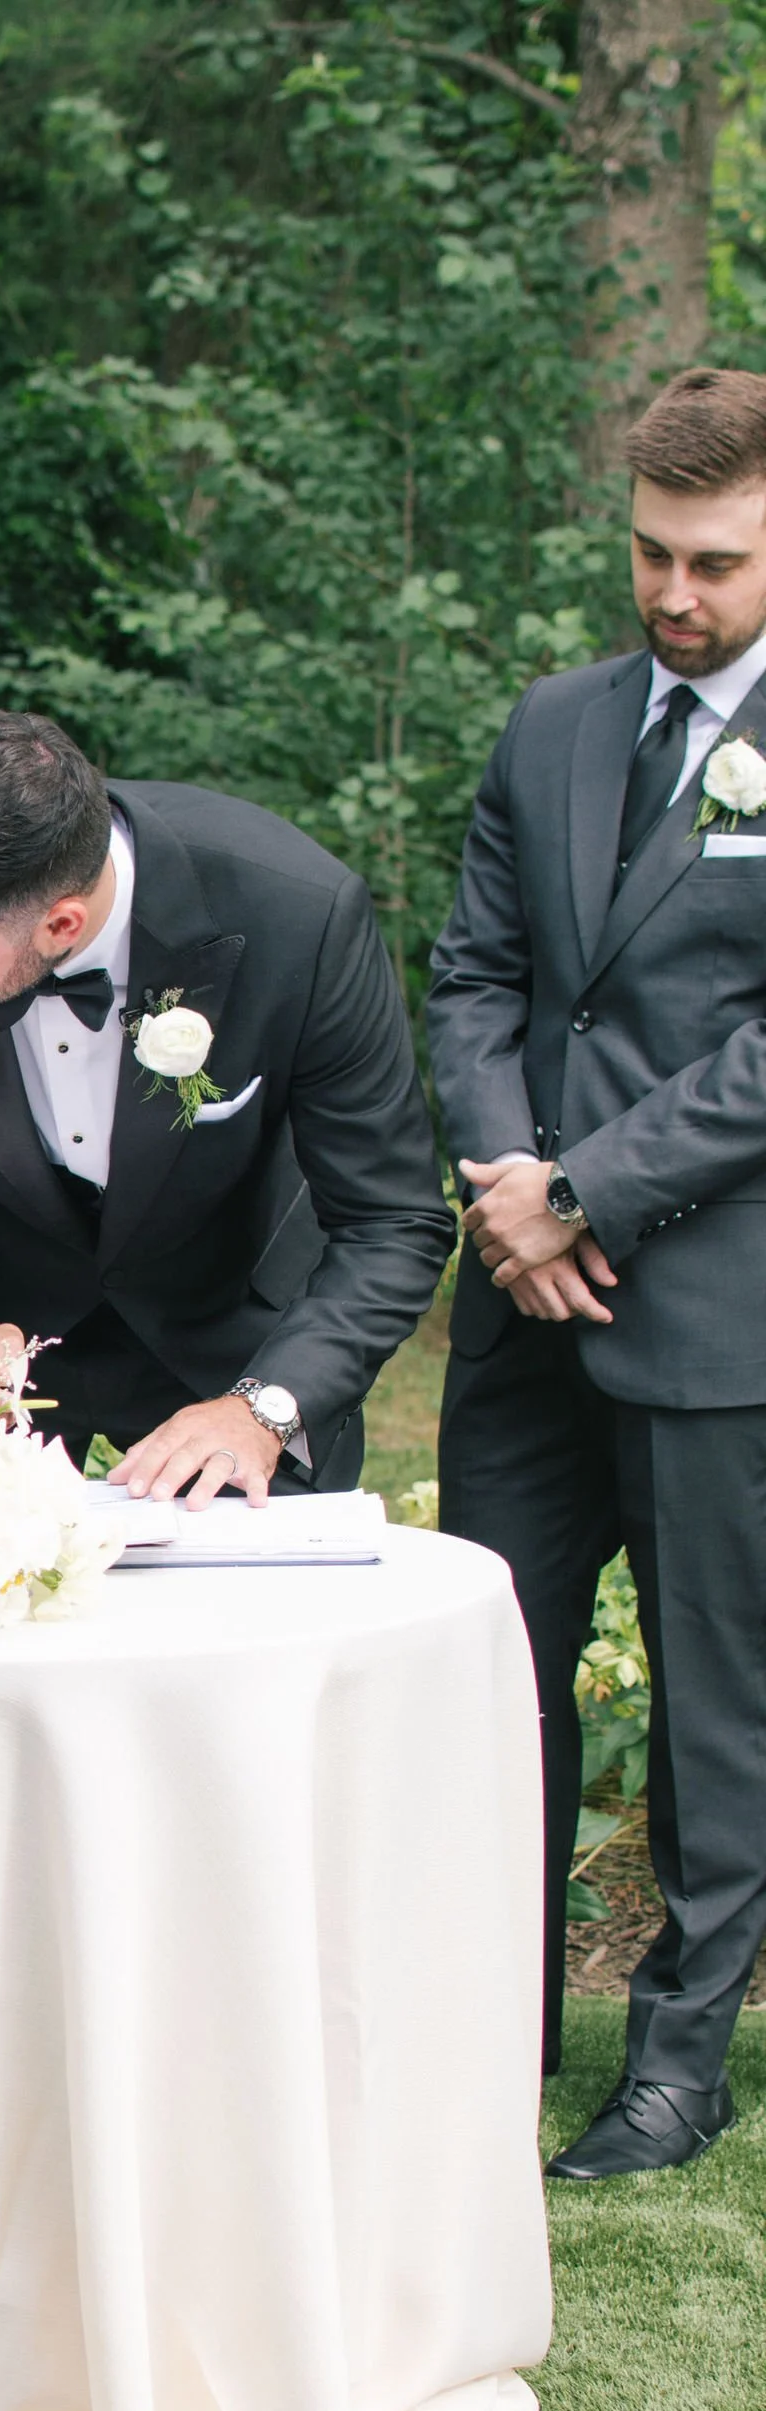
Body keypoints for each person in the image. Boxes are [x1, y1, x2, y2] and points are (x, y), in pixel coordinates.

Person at [430, 367, 766, 2179]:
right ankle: (486, 2025)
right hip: (517, 1300)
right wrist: (505, 1189)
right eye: (647, 550)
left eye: (710, 560)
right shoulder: (550, 724)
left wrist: (586, 1187)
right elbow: (477, 970)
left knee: (716, 1704)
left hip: (714, 1305)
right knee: (494, 1676)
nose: (668, 592)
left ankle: (672, 2065)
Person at [0, 708, 451, 1506]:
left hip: (238, 1333)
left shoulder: (297, 915)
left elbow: (391, 1221)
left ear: (61, 923)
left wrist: (270, 1405)